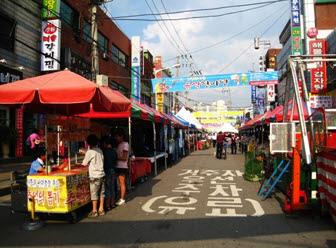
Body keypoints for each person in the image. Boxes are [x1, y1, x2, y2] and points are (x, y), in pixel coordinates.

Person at [82, 134, 105, 217]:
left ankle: (94, 211)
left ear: (88, 143)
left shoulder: (90, 152)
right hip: (102, 174)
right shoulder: (100, 150)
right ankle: (101, 209)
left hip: (94, 176)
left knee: (94, 193)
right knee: (102, 193)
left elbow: (84, 163)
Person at [101, 136, 118, 211]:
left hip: (107, 170)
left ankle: (107, 205)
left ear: (105, 143)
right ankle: (112, 203)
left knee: (107, 189)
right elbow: (116, 161)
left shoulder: (104, 151)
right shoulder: (114, 151)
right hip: (113, 170)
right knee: (112, 187)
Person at [114, 128, 129, 206]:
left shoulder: (125, 144)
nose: (116, 138)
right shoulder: (119, 144)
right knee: (120, 183)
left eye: (117, 136)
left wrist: (115, 157)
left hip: (122, 167)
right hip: (118, 166)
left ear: (121, 136)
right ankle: (120, 197)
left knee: (122, 183)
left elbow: (124, 158)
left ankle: (122, 199)